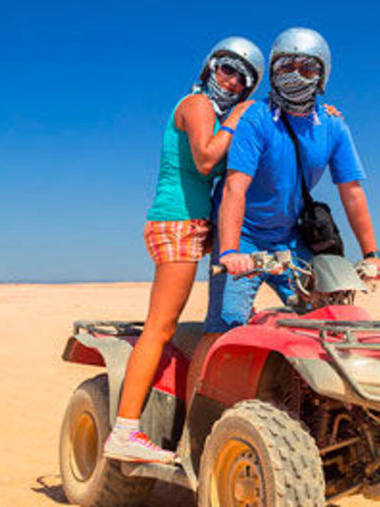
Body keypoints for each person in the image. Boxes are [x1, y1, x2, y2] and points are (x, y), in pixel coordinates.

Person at [102, 37, 266, 464]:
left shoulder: (213, 111)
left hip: (189, 225)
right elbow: (206, 160)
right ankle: (124, 430)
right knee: (160, 327)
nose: (231, 80)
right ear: (211, 66)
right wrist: (240, 118)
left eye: (242, 79)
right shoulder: (196, 106)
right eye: (226, 68)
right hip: (175, 223)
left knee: (165, 326)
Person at [206, 27, 380, 336]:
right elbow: (235, 187)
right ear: (274, 71)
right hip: (245, 239)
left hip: (293, 241)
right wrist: (230, 252)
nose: (296, 75)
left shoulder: (333, 126)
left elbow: (352, 192)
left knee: (328, 320)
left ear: (322, 75)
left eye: (307, 68)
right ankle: (202, 385)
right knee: (225, 326)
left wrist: (372, 255)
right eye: (286, 67)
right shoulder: (256, 119)